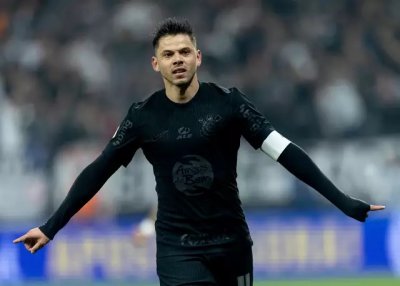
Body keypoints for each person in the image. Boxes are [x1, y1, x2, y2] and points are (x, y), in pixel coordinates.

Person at [14, 18, 385, 286]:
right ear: (155, 63)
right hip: (178, 249)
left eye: (185, 52)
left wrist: (342, 201)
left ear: (198, 58)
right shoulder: (143, 117)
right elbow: (98, 171)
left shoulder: (229, 105)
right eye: (169, 53)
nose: (178, 59)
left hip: (232, 245)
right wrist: (51, 226)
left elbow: (286, 152)